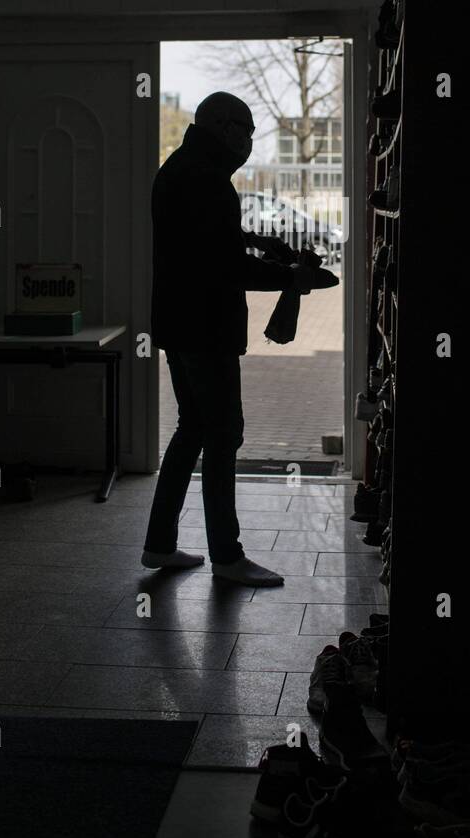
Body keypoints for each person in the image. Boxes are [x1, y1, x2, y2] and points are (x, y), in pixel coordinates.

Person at [142, 91, 338, 587]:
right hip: (206, 328)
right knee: (224, 435)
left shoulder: (180, 169)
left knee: (191, 429)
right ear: (225, 128)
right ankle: (227, 557)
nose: (250, 141)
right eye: (247, 130)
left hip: (176, 323)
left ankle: (159, 544)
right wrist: (289, 277)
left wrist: (260, 243)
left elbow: (207, 242)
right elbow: (223, 266)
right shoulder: (208, 181)